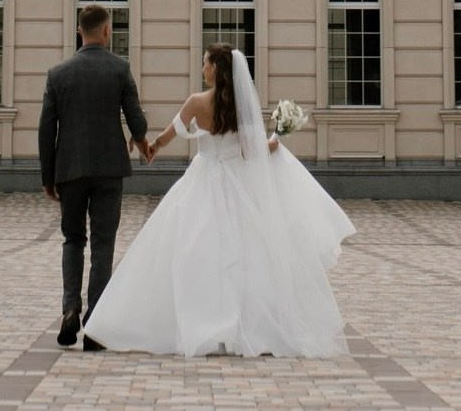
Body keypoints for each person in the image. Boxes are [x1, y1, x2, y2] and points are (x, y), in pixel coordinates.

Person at [80, 44, 355, 357]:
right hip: (237, 184)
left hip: (203, 180)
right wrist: (278, 137)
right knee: (246, 252)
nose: (202, 67)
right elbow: (255, 150)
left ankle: (199, 318)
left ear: (215, 68)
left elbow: (173, 131)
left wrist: (152, 147)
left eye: (204, 62)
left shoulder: (197, 102)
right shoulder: (240, 105)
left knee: (191, 249)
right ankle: (243, 324)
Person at [39, 3, 153, 350]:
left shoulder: (57, 73)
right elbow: (138, 122)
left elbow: (46, 129)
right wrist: (141, 139)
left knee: (73, 240)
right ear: (107, 31)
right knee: (103, 247)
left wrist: (48, 176)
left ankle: (70, 310)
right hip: (108, 169)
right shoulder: (120, 69)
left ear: (79, 31)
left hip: (70, 169)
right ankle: (96, 323)